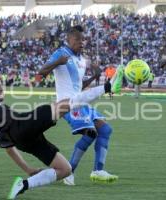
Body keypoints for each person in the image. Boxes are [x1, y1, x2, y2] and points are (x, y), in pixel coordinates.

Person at [0, 75, 122, 199]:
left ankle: (24, 185)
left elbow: (9, 148)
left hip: (22, 139)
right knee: (63, 105)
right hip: (21, 125)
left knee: (65, 170)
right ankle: (108, 86)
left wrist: (27, 169)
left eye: (1, 86)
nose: (1, 89)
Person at [39, 26, 121, 186]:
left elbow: (78, 86)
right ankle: (69, 172)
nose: (81, 43)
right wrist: (58, 62)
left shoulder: (81, 60)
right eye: (77, 40)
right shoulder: (61, 54)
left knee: (105, 130)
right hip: (67, 104)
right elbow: (41, 72)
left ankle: (98, 171)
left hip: (80, 100)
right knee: (91, 133)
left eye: (82, 40)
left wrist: (93, 78)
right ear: (68, 40)